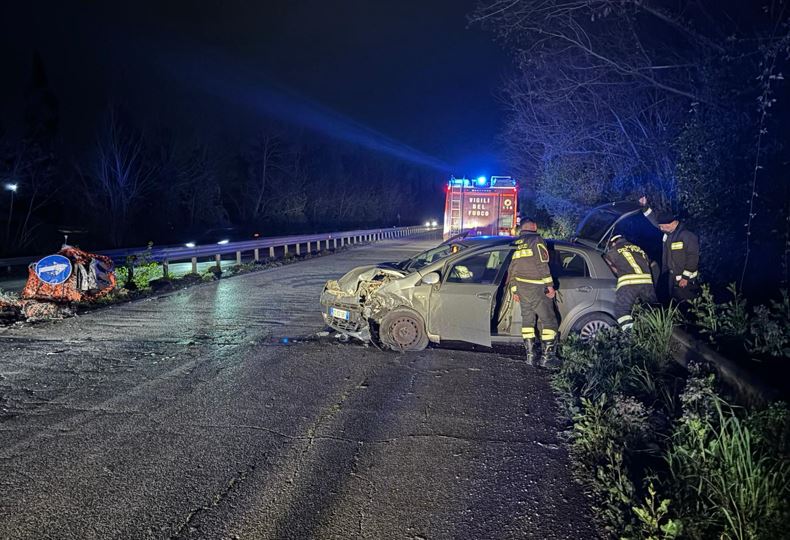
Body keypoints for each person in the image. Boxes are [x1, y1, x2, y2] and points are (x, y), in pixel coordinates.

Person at [508, 218, 560, 367]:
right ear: (534, 226)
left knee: (528, 322)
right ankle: (547, 359)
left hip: (522, 289)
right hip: (537, 288)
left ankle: (530, 357)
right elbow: (542, 264)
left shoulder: (517, 243)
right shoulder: (536, 240)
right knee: (550, 321)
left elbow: (511, 269)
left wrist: (514, 290)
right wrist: (550, 286)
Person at [639, 197, 700, 304]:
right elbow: (655, 221)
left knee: (689, 306)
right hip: (672, 279)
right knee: (676, 304)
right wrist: (645, 207)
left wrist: (685, 278)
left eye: (662, 227)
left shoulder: (686, 235)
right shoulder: (669, 233)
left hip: (686, 281)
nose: (661, 229)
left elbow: (693, 257)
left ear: (671, 223)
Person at [603, 233, 657, 330]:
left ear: (613, 243)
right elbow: (650, 263)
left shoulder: (613, 251)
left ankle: (630, 334)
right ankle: (653, 332)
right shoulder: (638, 249)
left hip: (629, 283)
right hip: (647, 282)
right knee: (651, 308)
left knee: (621, 311)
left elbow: (612, 268)